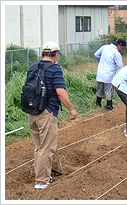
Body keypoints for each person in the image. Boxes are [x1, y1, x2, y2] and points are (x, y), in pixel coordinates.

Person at [27, 41, 77, 189]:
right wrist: (72, 109)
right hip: (46, 113)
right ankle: (41, 181)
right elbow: (60, 92)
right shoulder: (55, 69)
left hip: (32, 111)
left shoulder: (32, 68)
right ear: (55, 55)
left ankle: (42, 175)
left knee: (39, 147)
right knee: (47, 148)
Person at [94, 38, 126, 111]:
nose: (121, 50)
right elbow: (120, 66)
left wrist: (100, 60)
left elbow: (96, 54)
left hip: (100, 73)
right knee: (109, 91)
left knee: (99, 90)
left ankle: (98, 104)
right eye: (122, 48)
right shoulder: (116, 53)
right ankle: (109, 106)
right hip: (109, 74)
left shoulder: (104, 47)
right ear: (119, 45)